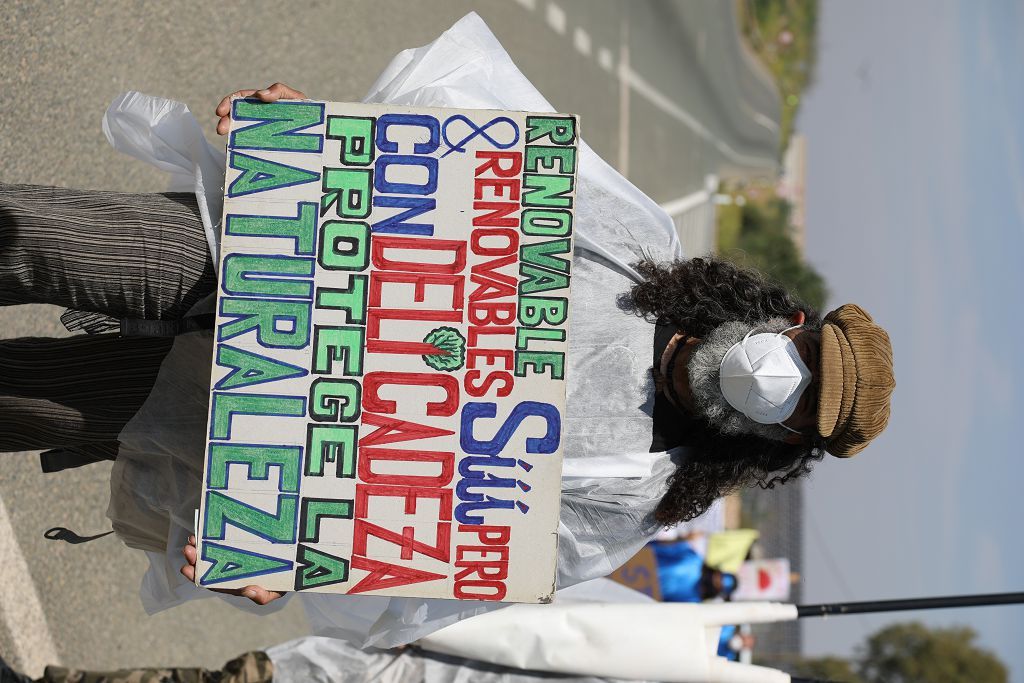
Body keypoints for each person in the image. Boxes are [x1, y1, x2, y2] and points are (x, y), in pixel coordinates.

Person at [0, 12, 894, 648]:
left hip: (226, 418)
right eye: (806, 362)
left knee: (25, 400)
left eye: (800, 408)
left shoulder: (633, 493)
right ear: (791, 321)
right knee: (30, 236)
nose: (784, 381)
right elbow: (471, 148)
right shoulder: (641, 243)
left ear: (779, 444)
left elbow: (439, 561)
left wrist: (292, 561)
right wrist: (330, 129)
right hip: (248, 252)